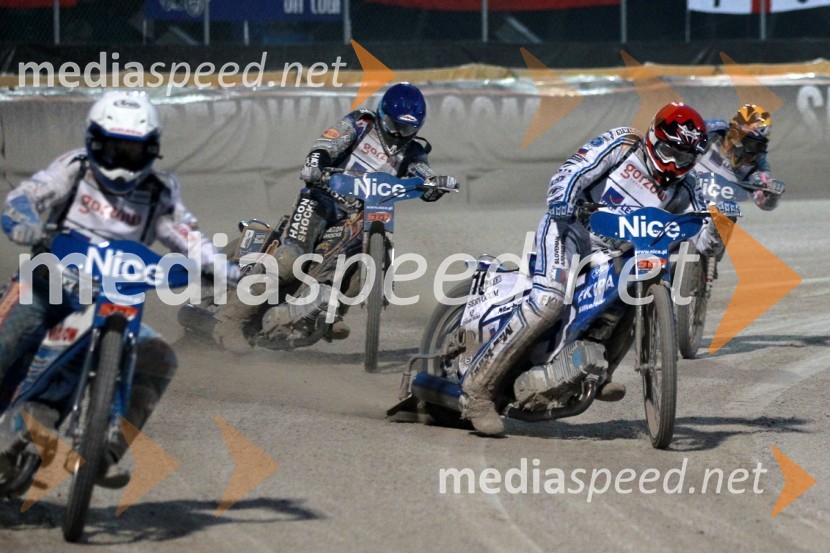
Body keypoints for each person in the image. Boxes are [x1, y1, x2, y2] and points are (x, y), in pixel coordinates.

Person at [0, 91, 233, 487]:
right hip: (48, 284)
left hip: (114, 300)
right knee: (14, 328)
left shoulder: (160, 190)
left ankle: (102, 451)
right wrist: (23, 221)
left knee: (160, 357)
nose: (122, 160)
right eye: (113, 148)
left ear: (152, 151)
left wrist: (223, 270)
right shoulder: (74, 168)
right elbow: (26, 196)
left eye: (133, 151)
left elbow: (188, 236)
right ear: (93, 142)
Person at [460, 102, 720, 436]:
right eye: (669, 151)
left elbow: (705, 241)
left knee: (637, 288)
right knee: (550, 300)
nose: (672, 164)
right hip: (571, 231)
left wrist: (718, 220)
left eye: (683, 159)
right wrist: (564, 199)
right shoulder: (623, 144)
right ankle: (477, 392)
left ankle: (600, 369)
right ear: (655, 137)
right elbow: (573, 170)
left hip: (613, 253)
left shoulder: (688, 187)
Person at [213, 82, 458, 352]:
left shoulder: (413, 151)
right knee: (290, 259)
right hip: (321, 199)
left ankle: (325, 313)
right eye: (395, 125)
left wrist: (435, 184)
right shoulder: (361, 123)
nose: (400, 134)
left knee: (353, 274)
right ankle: (230, 321)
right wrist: (314, 163)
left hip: (359, 215)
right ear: (382, 115)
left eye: (408, 128)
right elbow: (328, 143)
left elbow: (423, 172)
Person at [695, 104, 785, 211]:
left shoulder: (757, 165)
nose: (754, 151)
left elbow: (762, 201)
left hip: (712, 209)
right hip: (682, 189)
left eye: (759, 146)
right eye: (750, 143)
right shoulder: (714, 130)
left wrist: (772, 194)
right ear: (734, 134)